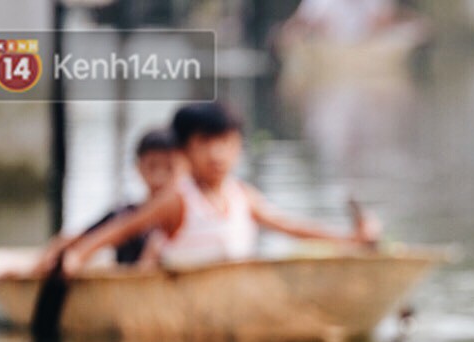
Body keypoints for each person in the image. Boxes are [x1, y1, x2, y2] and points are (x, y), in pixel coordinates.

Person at [62, 101, 378, 275]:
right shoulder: (178, 198)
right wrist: (78, 256)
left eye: (226, 144)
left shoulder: (242, 195)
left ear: (238, 148)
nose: (217, 155)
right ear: (185, 150)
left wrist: (350, 239)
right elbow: (125, 228)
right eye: (205, 144)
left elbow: (290, 225)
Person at [34, 127, 179, 275]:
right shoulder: (125, 214)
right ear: (139, 167)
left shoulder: (184, 214)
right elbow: (78, 238)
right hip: (129, 288)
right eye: (152, 167)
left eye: (169, 168)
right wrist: (43, 264)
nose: (159, 178)